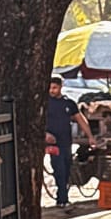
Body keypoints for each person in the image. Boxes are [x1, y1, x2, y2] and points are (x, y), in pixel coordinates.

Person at [45, 77, 94, 211]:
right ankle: (62, 199)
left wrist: (90, 136)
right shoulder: (45, 103)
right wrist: (45, 135)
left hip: (66, 142)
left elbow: (81, 120)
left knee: (66, 170)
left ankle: (63, 197)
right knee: (59, 169)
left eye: (55, 88)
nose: (52, 91)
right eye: (50, 88)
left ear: (61, 87)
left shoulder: (69, 103)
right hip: (52, 143)